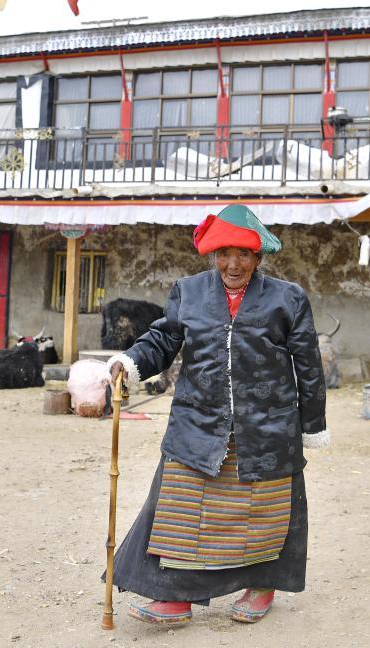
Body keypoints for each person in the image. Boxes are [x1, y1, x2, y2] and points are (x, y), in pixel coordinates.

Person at [107, 203, 329, 626]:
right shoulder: (188, 292)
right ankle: (174, 596)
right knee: (182, 511)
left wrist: (312, 425)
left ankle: (262, 586)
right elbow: (162, 340)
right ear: (213, 254)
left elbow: (308, 366)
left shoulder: (288, 299)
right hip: (197, 425)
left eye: (243, 254)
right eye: (224, 253)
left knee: (261, 515)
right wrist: (129, 362)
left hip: (267, 429)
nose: (233, 264)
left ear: (258, 257)